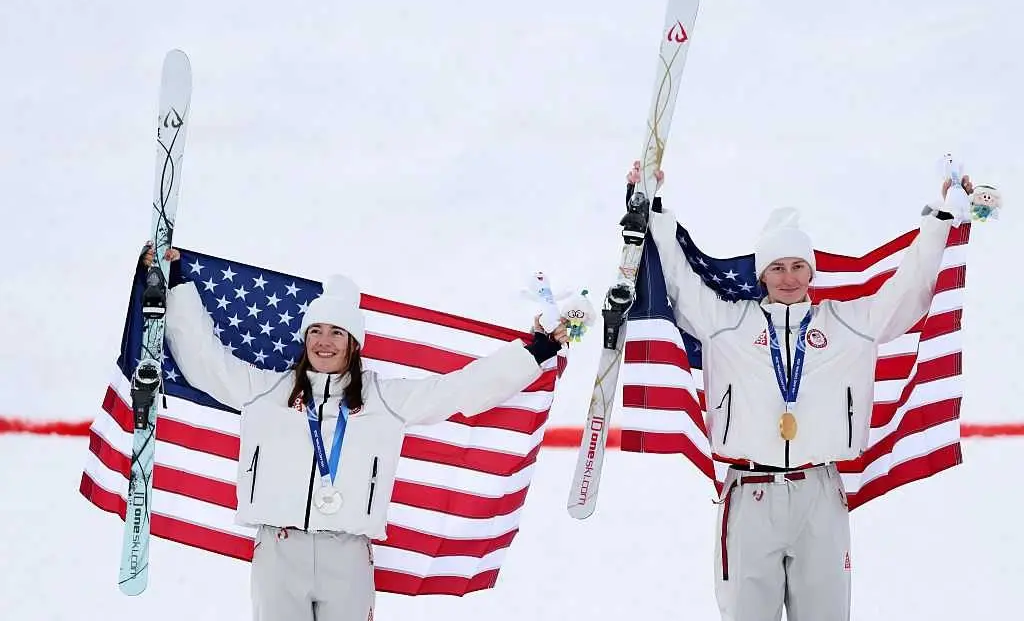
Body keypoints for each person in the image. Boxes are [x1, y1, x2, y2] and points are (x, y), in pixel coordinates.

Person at [140, 245, 569, 621]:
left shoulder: (385, 400)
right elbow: (205, 362)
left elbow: (457, 390)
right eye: (316, 331)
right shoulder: (266, 390)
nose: (324, 342)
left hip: (347, 553)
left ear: (354, 342)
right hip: (278, 549)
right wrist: (174, 285)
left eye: (336, 333)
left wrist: (535, 352)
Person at [631, 160, 971, 621]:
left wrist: (939, 224)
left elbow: (907, 290)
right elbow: (677, 278)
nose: (788, 277)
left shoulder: (848, 323)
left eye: (797, 266)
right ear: (761, 274)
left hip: (819, 492)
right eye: (777, 267)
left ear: (811, 272)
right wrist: (652, 206)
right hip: (749, 493)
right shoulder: (726, 323)